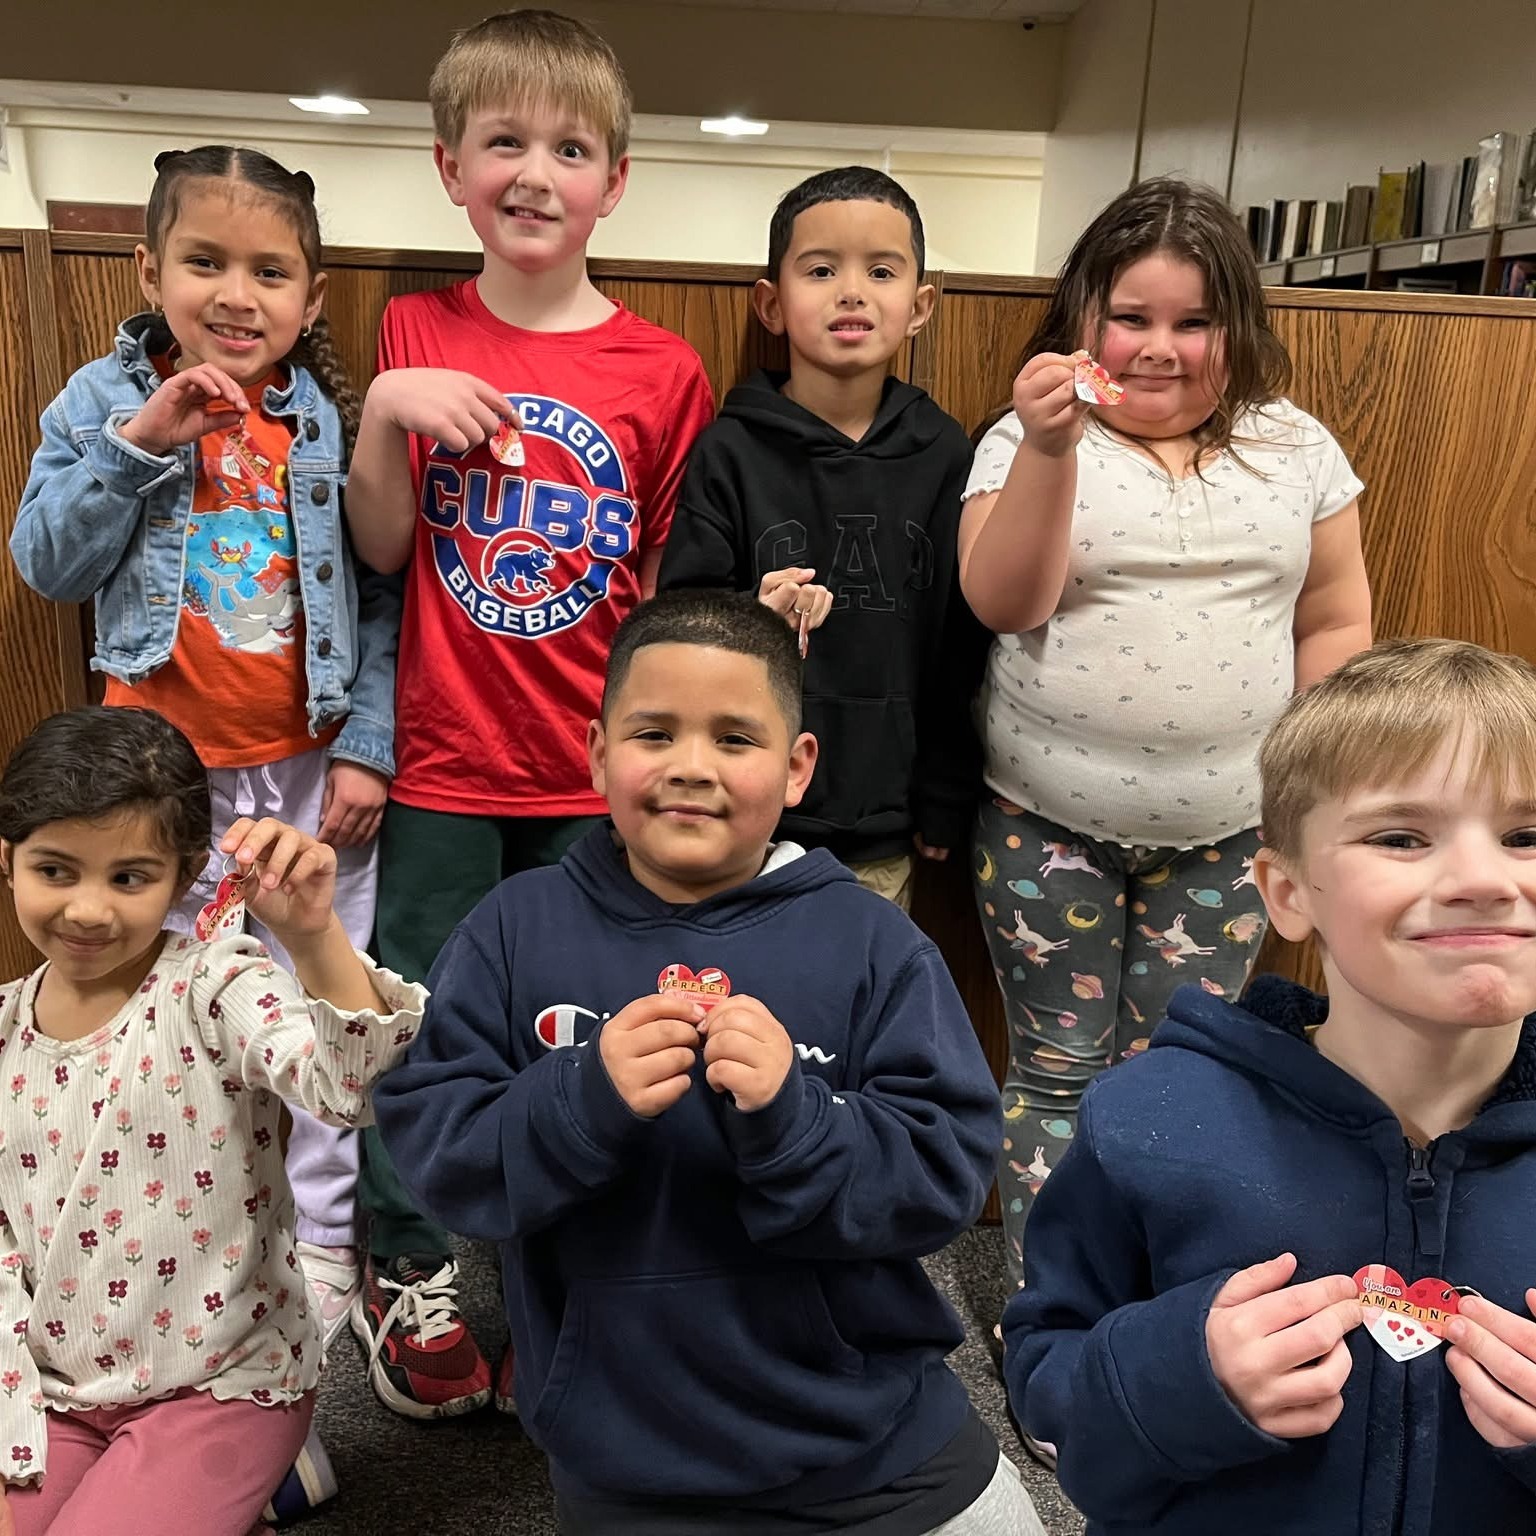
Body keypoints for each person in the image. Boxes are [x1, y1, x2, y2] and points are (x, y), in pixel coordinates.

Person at [373, 589, 1041, 1535]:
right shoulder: (513, 930)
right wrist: (580, 1100)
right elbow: (442, 1159)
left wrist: (801, 1119)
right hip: (631, 1477)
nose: (693, 768)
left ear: (798, 766)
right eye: (655, 734)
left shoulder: (871, 941)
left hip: (882, 1457)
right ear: (599, 751)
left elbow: (945, 1178)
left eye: (736, 739)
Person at [340, 9, 716, 1418]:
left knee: (595, 1025)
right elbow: (381, 551)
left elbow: (670, 592)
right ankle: (410, 1265)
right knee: (422, 1025)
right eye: (505, 141)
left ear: (616, 180)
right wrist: (385, 410)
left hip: (591, 775)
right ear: (452, 166)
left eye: (570, 147)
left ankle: (580, 1261)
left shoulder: (665, 371)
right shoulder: (414, 329)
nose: (537, 172)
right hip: (442, 764)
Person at [1003, 637, 1536, 1535]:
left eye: (1527, 835)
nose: (1484, 880)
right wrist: (1181, 1379)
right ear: (1286, 893)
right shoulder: (1149, 1121)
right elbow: (1049, 1378)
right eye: (1400, 836)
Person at [9, 144, 398, 1354]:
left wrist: (366, 748)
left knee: (318, 998)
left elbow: (377, 600)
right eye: (206, 262)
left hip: (304, 771)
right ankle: (159, 1226)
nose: (239, 294)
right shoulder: (98, 401)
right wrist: (141, 441)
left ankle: (321, 1237)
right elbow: (47, 564)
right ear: (150, 269)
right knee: (156, 1012)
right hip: (153, 790)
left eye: (271, 271)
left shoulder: (321, 420)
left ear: (311, 298)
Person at [958, 176, 1373, 1288]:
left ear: (1237, 327)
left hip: (1233, 837)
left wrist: (1308, 788)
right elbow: (1003, 603)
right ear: (1084, 318)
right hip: (1046, 827)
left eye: (1194, 321)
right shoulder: (1023, 437)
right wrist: (1050, 447)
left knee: (1174, 1073)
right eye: (1131, 318)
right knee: (1053, 1071)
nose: (1161, 348)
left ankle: (1138, 1291)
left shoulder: (1297, 449)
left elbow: (1335, 620)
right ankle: (1050, 1303)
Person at [0, 705, 424, 1536]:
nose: (87, 910)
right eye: (56, 871)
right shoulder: (5, 1027)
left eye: (127, 877)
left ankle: (239, 1474)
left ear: (184, 871)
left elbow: (355, 1088)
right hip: (50, 1384)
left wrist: (311, 938)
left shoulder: (217, 986)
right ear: (9, 862)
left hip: (218, 1378)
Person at [659, 167, 987, 910]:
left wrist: (944, 790)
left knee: (850, 1012)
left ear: (920, 307)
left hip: (882, 826)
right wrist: (752, 617)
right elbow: (680, 620)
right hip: (736, 814)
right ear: (771, 304)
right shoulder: (729, 451)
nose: (851, 291)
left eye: (880, 270)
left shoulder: (946, 455)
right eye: (820, 269)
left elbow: (959, 646)